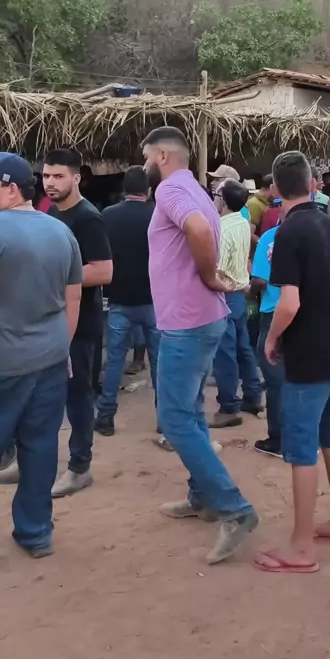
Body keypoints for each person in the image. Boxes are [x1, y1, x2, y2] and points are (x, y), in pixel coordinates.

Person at [143, 126, 258, 564]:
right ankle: (203, 497)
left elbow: (196, 228)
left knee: (174, 420)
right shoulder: (194, 188)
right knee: (189, 411)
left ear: (162, 157)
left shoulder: (170, 189)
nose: (145, 165)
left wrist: (208, 275)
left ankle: (234, 508)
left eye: (147, 157)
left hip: (186, 322)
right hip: (202, 318)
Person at [253, 151, 330, 574]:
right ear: (312, 184)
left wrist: (271, 338)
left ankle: (301, 547)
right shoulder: (329, 225)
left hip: (306, 354)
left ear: (277, 189)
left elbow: (289, 303)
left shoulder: (287, 232)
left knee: (300, 448)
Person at [0, 154, 82, 557]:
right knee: (40, 446)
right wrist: (62, 348)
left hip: (7, 363)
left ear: (11, 188)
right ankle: (35, 534)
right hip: (50, 358)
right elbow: (73, 298)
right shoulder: (61, 231)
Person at [43, 149, 113, 496]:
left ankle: (79, 467)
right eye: (46, 176)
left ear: (76, 178)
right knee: (43, 394)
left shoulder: (88, 218)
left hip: (82, 323)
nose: (50, 183)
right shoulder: (52, 213)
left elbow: (104, 271)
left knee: (79, 396)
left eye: (58, 176)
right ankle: (28, 460)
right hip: (51, 318)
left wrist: (54, 277)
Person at [95, 166, 158, 437]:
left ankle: (105, 418)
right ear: (148, 190)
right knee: (160, 364)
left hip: (118, 299)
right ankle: (165, 420)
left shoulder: (108, 215)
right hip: (154, 300)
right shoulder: (157, 214)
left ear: (124, 189)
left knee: (115, 361)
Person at [210, 180, 263, 428]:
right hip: (239, 292)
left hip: (225, 294)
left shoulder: (221, 230)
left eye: (216, 195)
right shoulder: (242, 222)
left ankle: (229, 406)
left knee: (225, 354)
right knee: (243, 348)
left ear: (223, 200)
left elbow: (217, 271)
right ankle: (252, 396)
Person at [250, 211, 284, 457]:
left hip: (275, 313)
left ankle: (279, 440)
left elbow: (260, 281)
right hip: (311, 315)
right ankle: (307, 437)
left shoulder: (271, 237)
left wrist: (250, 291)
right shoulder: (323, 232)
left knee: (276, 379)